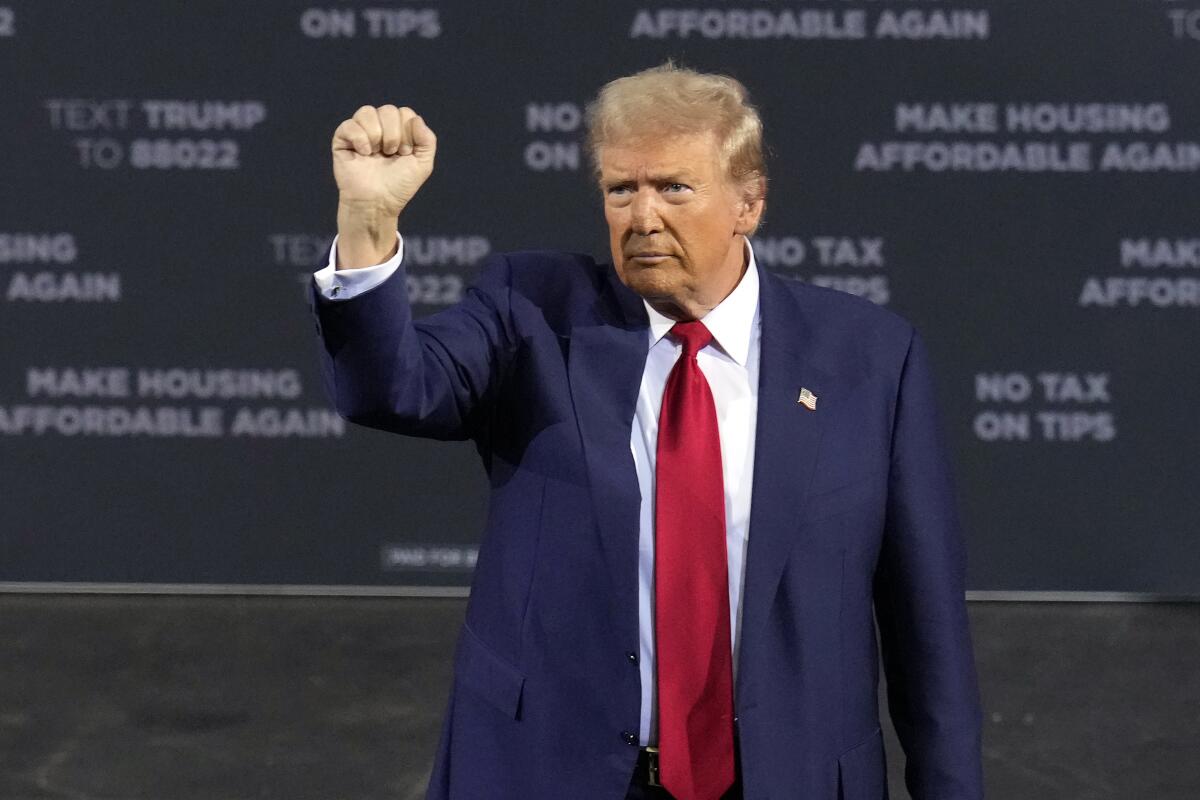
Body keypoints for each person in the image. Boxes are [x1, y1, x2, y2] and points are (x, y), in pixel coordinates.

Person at [309, 63, 983, 800]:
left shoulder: (868, 358)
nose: (642, 217)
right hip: (551, 772)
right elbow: (392, 389)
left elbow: (929, 635)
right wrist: (368, 223)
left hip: (788, 776)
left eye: (673, 188)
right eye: (620, 189)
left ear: (748, 202)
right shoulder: (533, 315)